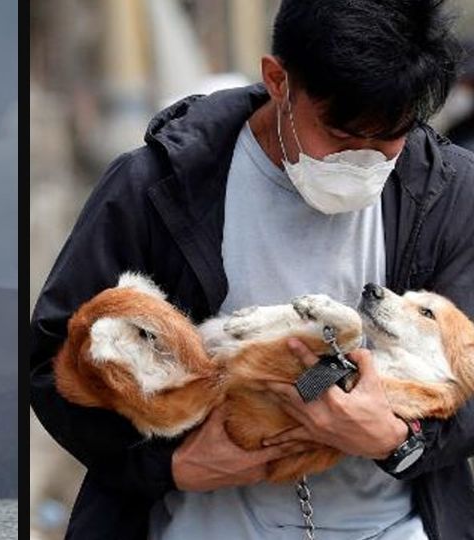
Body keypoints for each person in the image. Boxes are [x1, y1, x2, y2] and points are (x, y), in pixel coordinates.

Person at [29, 0, 474, 538]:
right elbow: (51, 362)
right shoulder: (156, 185)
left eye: (388, 139)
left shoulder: (451, 196)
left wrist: (396, 442)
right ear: (278, 80)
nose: (362, 159)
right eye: (339, 135)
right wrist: (168, 467)